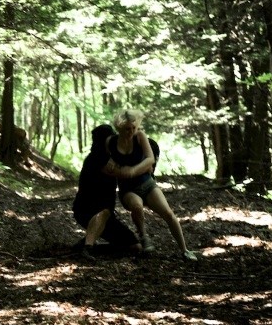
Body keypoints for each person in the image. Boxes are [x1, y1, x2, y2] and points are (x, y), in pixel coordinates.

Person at [107, 109, 197, 261]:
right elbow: (105, 162)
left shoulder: (140, 137)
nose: (131, 132)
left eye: (133, 128)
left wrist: (132, 170)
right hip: (128, 189)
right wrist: (115, 168)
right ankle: (144, 236)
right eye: (127, 129)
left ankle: (185, 250)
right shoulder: (111, 142)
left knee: (168, 213)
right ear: (119, 128)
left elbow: (150, 159)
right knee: (136, 206)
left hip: (147, 183)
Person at [72, 124, 149, 260]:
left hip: (107, 216)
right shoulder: (96, 158)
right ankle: (87, 248)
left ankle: (86, 245)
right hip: (85, 211)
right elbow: (123, 173)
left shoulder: (111, 156)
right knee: (104, 212)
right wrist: (143, 166)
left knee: (135, 247)